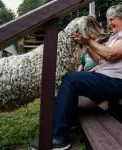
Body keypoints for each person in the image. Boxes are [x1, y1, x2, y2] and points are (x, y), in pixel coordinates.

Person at [31, 4, 122, 150]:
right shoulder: (114, 38)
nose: (109, 23)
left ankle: (60, 136)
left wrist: (88, 41)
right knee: (67, 79)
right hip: (108, 80)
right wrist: (88, 46)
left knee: (71, 79)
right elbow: (102, 61)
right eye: (108, 19)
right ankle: (58, 127)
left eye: (112, 19)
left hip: (116, 83)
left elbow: (110, 54)